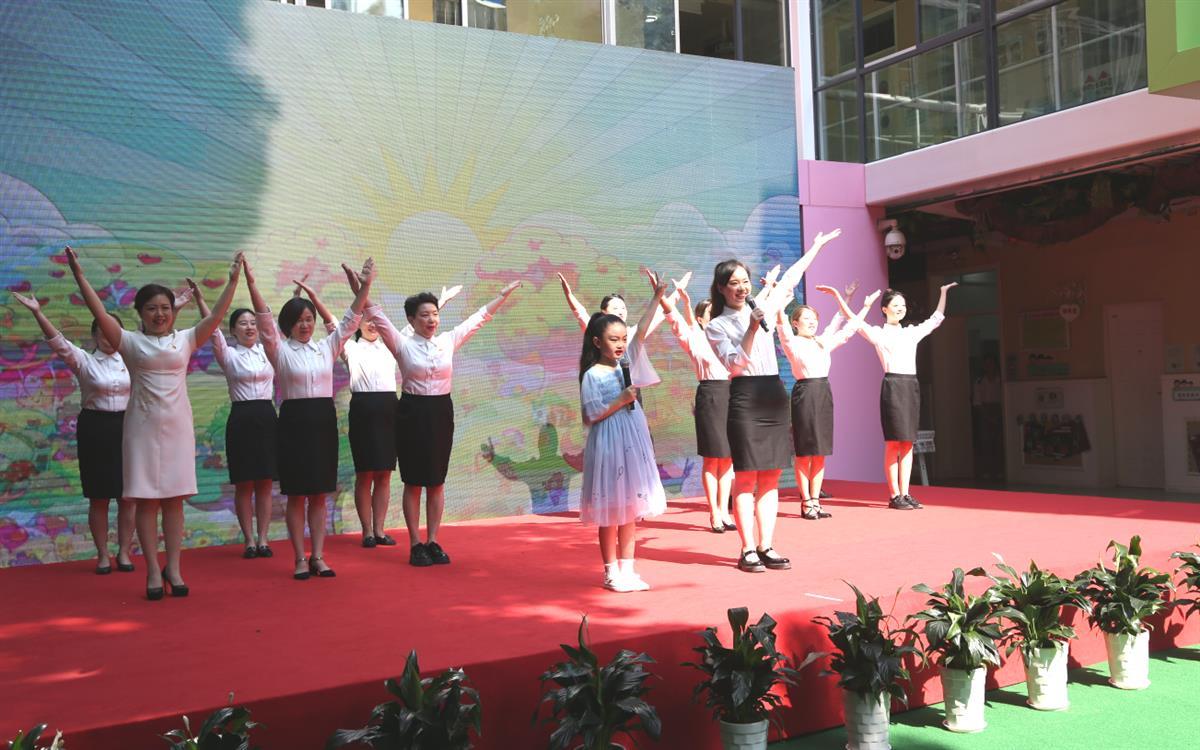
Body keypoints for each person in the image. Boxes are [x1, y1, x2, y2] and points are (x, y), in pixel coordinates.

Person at [67, 246, 243, 599]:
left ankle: (173, 568)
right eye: (151, 308)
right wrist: (79, 275)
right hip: (141, 430)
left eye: (165, 307)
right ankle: (151, 570)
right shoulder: (129, 342)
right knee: (146, 501)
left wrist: (233, 281)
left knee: (174, 501)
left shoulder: (186, 339)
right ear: (140, 313)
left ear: (173, 311)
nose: (159, 313)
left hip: (178, 429)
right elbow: (98, 311)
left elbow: (217, 315)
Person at [705, 229, 841, 573]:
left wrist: (816, 246)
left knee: (771, 476)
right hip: (745, 397)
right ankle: (747, 549)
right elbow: (735, 364)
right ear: (721, 288)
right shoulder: (717, 325)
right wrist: (752, 328)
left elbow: (792, 276)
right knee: (746, 477)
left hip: (773, 394)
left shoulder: (764, 305)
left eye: (745, 281)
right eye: (734, 283)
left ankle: (767, 545)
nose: (742, 288)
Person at [367, 280, 521, 567]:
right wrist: (362, 289)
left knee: (436, 482)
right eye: (424, 315)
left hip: (440, 413)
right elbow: (376, 315)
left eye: (435, 314)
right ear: (411, 319)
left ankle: (433, 540)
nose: (431, 320)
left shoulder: (448, 340)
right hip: (412, 413)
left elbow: (478, 319)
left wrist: (501, 296)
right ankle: (416, 544)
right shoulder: (401, 344)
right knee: (414, 482)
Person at [245, 256, 376, 580]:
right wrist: (250, 282)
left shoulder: (326, 347)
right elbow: (263, 319)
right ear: (287, 324)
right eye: (298, 320)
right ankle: (299, 559)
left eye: (309, 319)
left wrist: (365, 287)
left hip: (323, 423)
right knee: (297, 495)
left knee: (319, 494)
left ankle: (318, 556)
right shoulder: (279, 349)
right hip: (293, 423)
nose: (305, 325)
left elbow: (351, 319)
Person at [13, 292, 135, 574]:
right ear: (94, 336)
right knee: (99, 495)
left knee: (128, 496)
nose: (108, 336)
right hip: (96, 429)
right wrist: (37, 312)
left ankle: (124, 552)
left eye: (112, 331)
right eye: (102, 331)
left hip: (129, 427)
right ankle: (102, 554)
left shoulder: (133, 360)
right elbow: (58, 342)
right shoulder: (83, 360)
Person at [578, 282, 667, 592]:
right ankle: (611, 572)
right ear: (597, 341)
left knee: (630, 508)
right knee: (610, 511)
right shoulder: (592, 374)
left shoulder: (625, 365)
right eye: (613, 339)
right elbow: (591, 413)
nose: (620, 345)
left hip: (631, 438)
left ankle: (628, 569)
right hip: (608, 442)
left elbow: (642, 329)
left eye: (623, 339)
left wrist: (657, 297)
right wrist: (621, 400)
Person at [777, 284, 878, 519]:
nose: (812, 322)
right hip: (805, 394)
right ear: (795, 323)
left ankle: (816, 500)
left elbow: (847, 326)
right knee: (805, 452)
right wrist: (780, 301)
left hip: (824, 393)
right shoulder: (792, 342)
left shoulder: (823, 342)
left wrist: (861, 304)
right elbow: (780, 323)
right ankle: (806, 502)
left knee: (820, 452)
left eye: (814, 319)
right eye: (807, 319)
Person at [191, 283, 277, 559]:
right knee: (244, 483)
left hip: (267, 418)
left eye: (253, 323)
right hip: (241, 419)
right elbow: (212, 328)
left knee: (265, 482)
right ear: (233, 331)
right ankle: (249, 540)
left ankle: (263, 539)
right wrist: (201, 300)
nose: (250, 327)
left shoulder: (269, 351)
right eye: (243, 323)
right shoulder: (228, 354)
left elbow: (272, 327)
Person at [857, 283, 957, 509]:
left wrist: (942, 292)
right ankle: (894, 495)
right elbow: (855, 323)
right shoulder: (878, 333)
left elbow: (936, 319)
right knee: (894, 443)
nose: (900, 308)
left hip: (911, 386)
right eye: (895, 305)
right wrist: (859, 303)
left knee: (908, 443)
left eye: (902, 305)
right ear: (884, 309)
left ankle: (906, 492)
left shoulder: (910, 332)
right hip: (893, 386)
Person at [650, 271, 736, 533]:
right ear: (700, 319)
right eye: (711, 313)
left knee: (728, 459)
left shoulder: (728, 336)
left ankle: (725, 511)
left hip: (733, 395)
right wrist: (662, 294)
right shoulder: (694, 337)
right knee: (713, 458)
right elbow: (674, 318)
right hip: (710, 396)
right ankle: (714, 513)